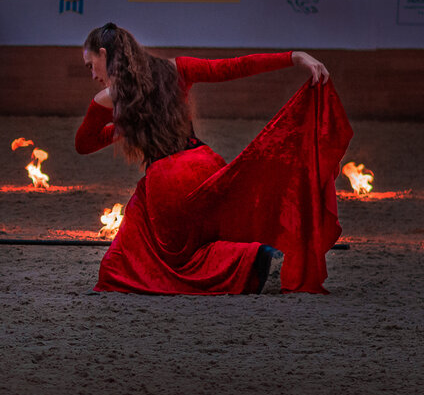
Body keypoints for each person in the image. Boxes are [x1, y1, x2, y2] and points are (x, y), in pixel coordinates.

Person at [75, 23, 352, 295]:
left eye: (91, 65)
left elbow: (83, 144)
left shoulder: (107, 97)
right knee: (202, 234)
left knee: (156, 263)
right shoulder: (177, 68)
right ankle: (255, 253)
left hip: (168, 182)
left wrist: (121, 128)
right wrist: (295, 57)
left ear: (103, 53)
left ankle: (250, 257)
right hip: (207, 166)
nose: (92, 75)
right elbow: (235, 67)